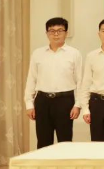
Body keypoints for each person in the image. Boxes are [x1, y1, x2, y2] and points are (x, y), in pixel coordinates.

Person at [24, 17, 82, 148]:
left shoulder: (74, 54)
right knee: (43, 142)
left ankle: (65, 162)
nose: (56, 34)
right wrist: (29, 104)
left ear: (66, 33)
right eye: (52, 31)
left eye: (60, 30)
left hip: (65, 101)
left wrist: (78, 105)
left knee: (65, 142)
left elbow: (80, 81)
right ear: (47, 33)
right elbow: (31, 79)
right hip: (42, 101)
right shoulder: (38, 53)